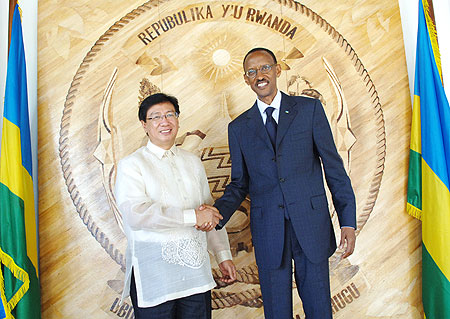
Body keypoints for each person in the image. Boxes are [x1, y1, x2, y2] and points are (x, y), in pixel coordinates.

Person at [201, 48, 356, 318]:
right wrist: (216, 214)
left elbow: (334, 168)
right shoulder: (239, 128)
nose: (259, 75)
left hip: (311, 225)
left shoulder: (309, 110)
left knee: (319, 309)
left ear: (277, 70)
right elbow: (239, 184)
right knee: (276, 312)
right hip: (269, 230)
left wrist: (348, 221)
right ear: (246, 79)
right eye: (252, 72)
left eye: (264, 68)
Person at [114, 93, 236, 319]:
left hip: (195, 274)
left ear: (178, 120)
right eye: (156, 117)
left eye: (170, 114)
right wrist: (192, 217)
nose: (164, 121)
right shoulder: (132, 165)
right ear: (144, 125)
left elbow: (208, 212)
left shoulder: (192, 162)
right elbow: (136, 214)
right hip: (154, 275)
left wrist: (222, 254)